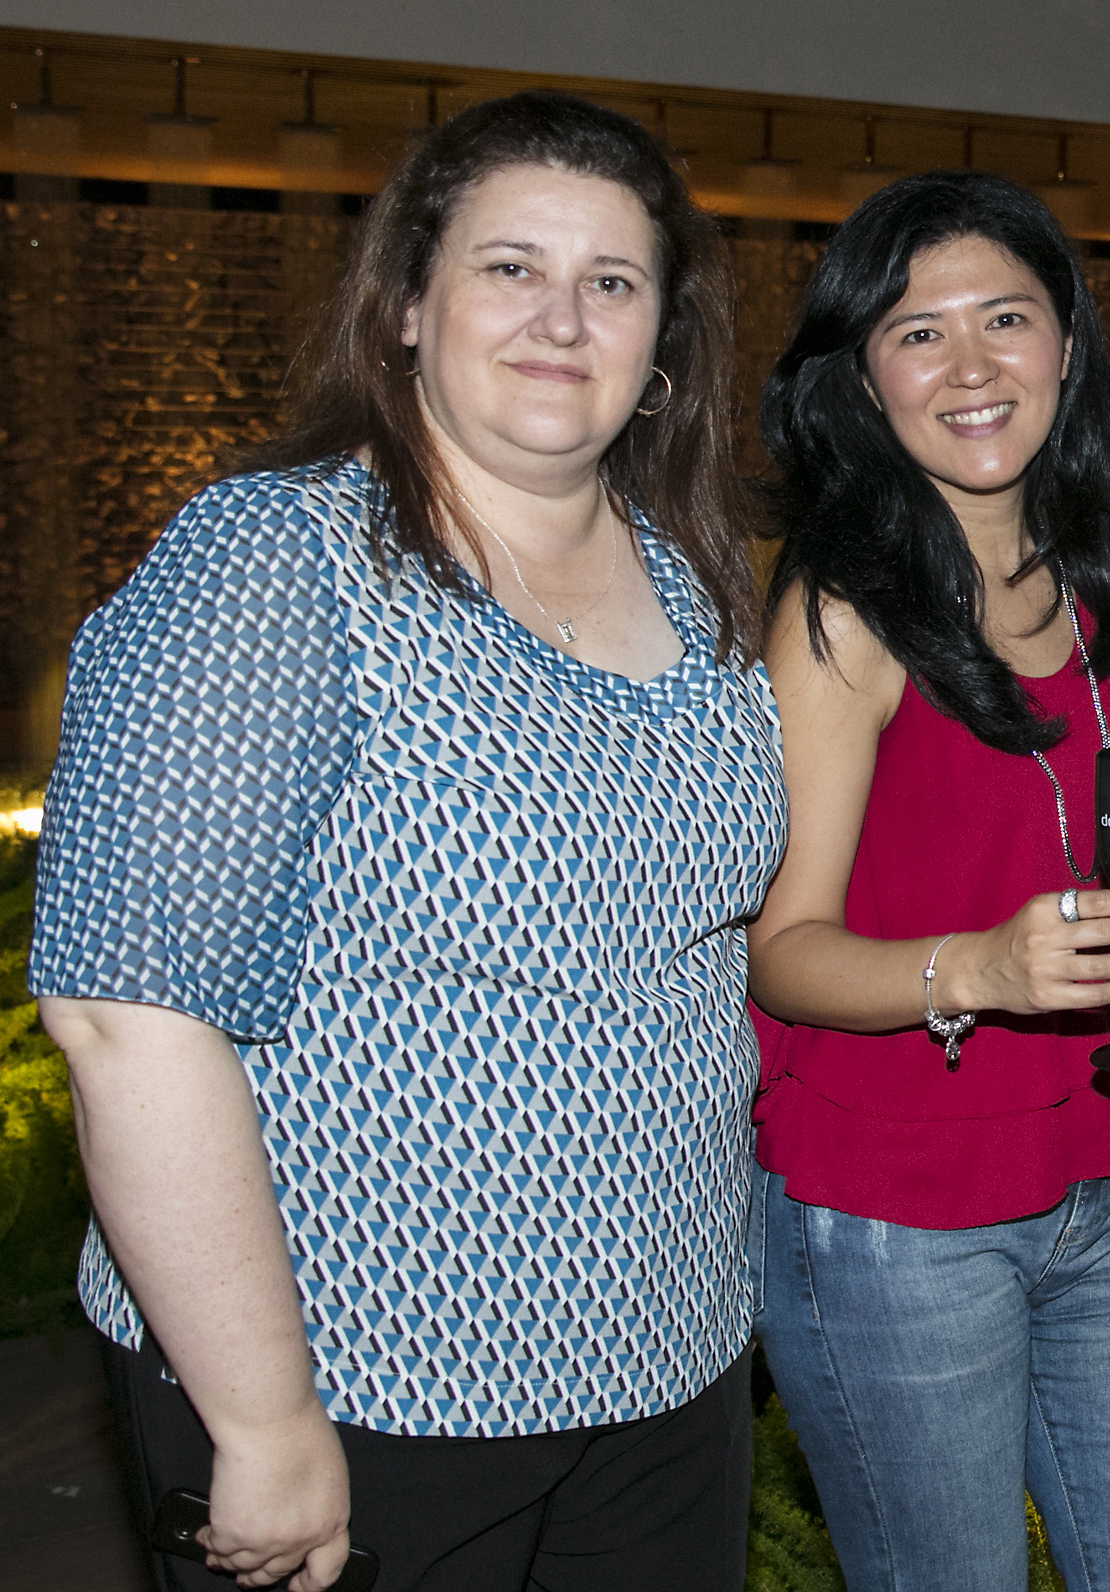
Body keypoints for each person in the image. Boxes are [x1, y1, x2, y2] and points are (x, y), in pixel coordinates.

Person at [30, 92, 781, 1591]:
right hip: (364, 1383)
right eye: (511, 267)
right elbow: (128, 1017)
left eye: (612, 283)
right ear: (404, 311)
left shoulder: (696, 580)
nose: (562, 316)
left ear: (660, 350)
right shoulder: (275, 562)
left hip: (669, 1364)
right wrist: (263, 1416)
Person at [745, 171, 1110, 1592]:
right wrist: (980, 969)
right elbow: (780, 944)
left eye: (1005, 320)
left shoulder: (1102, 592)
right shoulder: (844, 606)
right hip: (899, 1213)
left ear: (1066, 347)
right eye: (916, 332)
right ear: (863, 379)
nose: (969, 367)